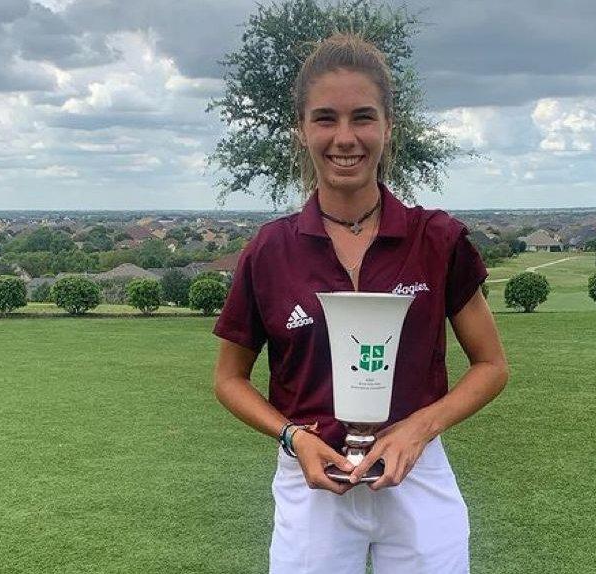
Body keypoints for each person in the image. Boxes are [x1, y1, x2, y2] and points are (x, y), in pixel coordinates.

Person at [212, 33, 508, 574]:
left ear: (388, 126)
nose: (344, 138)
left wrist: (418, 430)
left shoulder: (436, 239)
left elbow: (491, 367)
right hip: (312, 479)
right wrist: (293, 437)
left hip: (417, 475)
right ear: (301, 130)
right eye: (325, 118)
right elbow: (229, 379)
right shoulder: (269, 250)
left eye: (362, 117)